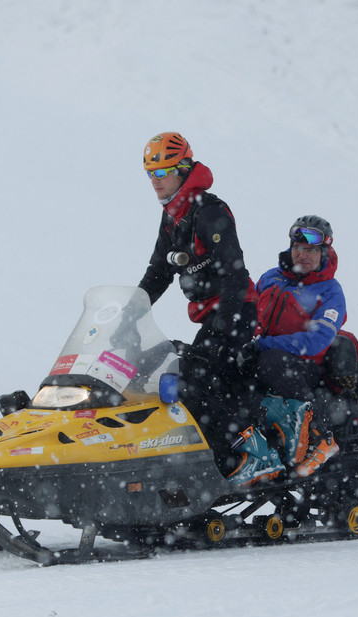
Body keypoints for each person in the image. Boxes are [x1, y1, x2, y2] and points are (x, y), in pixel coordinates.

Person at [137, 132, 284, 487]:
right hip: (212, 318)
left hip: (237, 313)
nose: (156, 181)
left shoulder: (209, 211)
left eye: (163, 172)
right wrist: (130, 311)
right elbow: (159, 272)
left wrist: (228, 327)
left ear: (183, 168)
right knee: (169, 376)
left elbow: (235, 274)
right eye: (150, 174)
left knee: (197, 381)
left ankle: (250, 455)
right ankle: (201, 461)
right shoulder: (173, 215)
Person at [241, 215, 348, 477]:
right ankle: (252, 452)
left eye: (310, 250)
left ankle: (320, 438)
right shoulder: (271, 278)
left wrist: (263, 345)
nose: (301, 255)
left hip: (306, 367)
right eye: (297, 248)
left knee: (272, 362)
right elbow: (247, 316)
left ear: (324, 252)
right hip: (265, 355)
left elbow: (316, 340)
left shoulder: (330, 291)